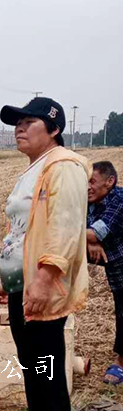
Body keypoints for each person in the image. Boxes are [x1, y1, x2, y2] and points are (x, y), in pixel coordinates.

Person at [0, 97, 90, 411]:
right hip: (23, 286)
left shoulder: (63, 167)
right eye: (16, 122)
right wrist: (11, 281)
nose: (19, 127)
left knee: (48, 368)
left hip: (44, 289)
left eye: (28, 121)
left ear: (53, 129)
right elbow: (22, 231)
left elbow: (65, 230)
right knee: (31, 363)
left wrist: (44, 279)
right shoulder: (34, 169)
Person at [85, 161, 123, 383]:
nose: (87, 187)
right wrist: (89, 241)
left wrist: (92, 237)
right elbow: (79, 225)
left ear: (110, 182)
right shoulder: (90, 202)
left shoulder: (119, 200)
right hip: (116, 268)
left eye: (92, 182)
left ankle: (120, 363)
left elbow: (97, 231)